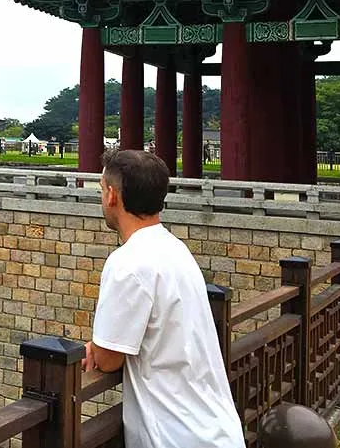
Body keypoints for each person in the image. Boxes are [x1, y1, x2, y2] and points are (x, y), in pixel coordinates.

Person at [83, 150, 244, 448]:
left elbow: (107, 359)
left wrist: (98, 347)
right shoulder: (175, 248)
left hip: (175, 436)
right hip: (215, 430)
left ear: (112, 196)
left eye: (101, 189)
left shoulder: (128, 263)